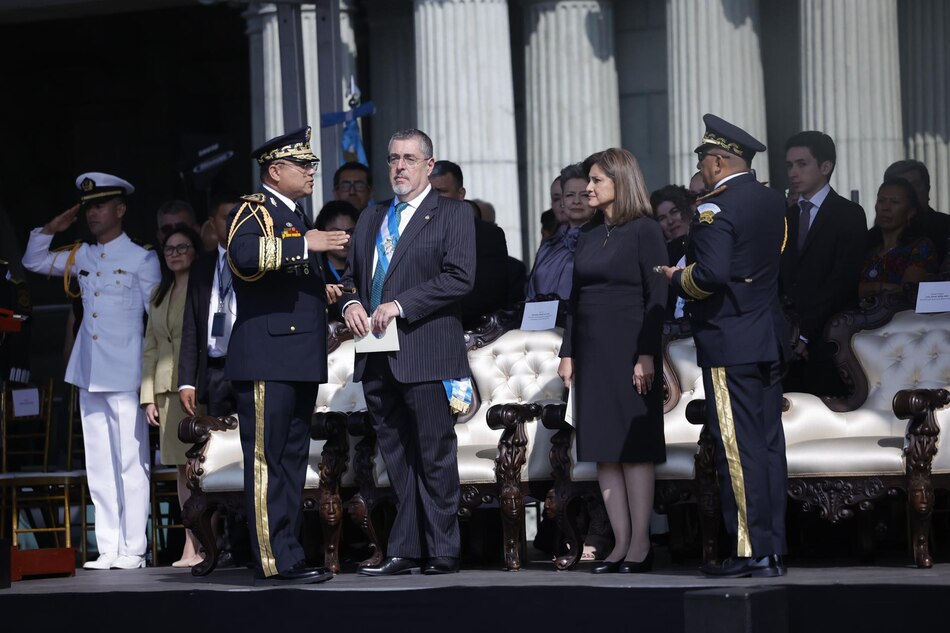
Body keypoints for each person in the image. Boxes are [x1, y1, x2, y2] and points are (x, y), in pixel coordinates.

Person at [340, 128, 476, 576]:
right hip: (376, 354)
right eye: (393, 158)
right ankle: (405, 548)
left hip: (427, 350)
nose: (399, 166)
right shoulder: (371, 216)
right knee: (396, 455)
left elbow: (459, 277)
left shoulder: (452, 214)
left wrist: (401, 305)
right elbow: (352, 279)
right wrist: (352, 302)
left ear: (429, 166)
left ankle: (442, 549)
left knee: (434, 453)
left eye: (409, 158)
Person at [660, 114, 790, 579]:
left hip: (730, 340)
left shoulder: (715, 207)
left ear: (717, 161)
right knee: (769, 446)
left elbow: (709, 276)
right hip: (767, 336)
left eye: (704, 159)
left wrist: (678, 279)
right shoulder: (773, 200)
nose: (704, 167)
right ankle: (772, 547)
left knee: (737, 448)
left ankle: (751, 550)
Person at [225, 125, 349, 585]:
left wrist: (325, 287)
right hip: (267, 356)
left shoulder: (295, 213)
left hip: (296, 355)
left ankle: (289, 553)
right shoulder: (253, 210)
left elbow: (288, 282)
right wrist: (307, 244)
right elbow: (242, 256)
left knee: (292, 461)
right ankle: (273, 559)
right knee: (267, 461)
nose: (312, 171)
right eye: (304, 164)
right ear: (275, 172)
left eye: (312, 163)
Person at [22, 172, 161, 570]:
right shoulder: (82, 254)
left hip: (127, 371)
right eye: (88, 208)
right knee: (99, 462)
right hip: (88, 370)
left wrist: (152, 380)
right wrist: (52, 228)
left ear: (121, 209)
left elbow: (156, 323)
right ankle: (108, 546)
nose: (92, 214)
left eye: (100, 205)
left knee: (131, 462)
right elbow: (33, 260)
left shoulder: (142, 258)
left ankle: (133, 547)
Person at [557, 148, 668, 574]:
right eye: (589, 180)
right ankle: (619, 543)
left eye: (597, 180)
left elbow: (657, 295)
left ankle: (641, 543)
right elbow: (575, 300)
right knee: (604, 451)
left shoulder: (645, 230)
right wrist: (568, 352)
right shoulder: (587, 234)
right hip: (592, 350)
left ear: (621, 181)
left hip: (630, 349)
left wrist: (646, 354)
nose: (588, 187)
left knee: (634, 451)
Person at [780, 131, 867, 397]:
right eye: (789, 165)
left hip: (828, 342)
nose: (793, 172)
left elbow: (842, 280)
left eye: (802, 164)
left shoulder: (848, 214)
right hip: (783, 343)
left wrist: (804, 334)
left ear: (825, 167)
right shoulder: (785, 215)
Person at [140, 225, 203, 567]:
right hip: (166, 390)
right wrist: (148, 396)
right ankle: (191, 545)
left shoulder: (203, 289)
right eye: (169, 249)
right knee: (182, 470)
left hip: (193, 387)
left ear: (195, 251)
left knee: (201, 467)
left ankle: (208, 543)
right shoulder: (158, 293)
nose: (175, 253)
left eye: (182, 247)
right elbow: (150, 346)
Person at [429, 160, 510, 327]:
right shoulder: (412, 232)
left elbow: (489, 292)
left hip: (468, 331)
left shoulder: (488, 235)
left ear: (460, 194)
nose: (434, 199)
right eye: (429, 192)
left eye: (441, 191)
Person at [858, 177, 938, 299]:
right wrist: (882, 287)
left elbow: (908, 292)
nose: (885, 208)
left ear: (910, 212)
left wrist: (870, 288)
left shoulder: (920, 247)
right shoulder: (865, 244)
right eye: (881, 201)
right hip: (852, 317)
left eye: (895, 202)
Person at [525, 164, 596, 301]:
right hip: (542, 321)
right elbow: (531, 293)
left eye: (584, 195)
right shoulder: (548, 246)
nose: (576, 201)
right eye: (570, 195)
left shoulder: (605, 240)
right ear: (562, 201)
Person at [884, 159, 949, 263]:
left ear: (927, 189)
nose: (910, 193)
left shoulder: (947, 227)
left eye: (915, 185)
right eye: (902, 186)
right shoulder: (873, 238)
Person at [315, 200, 360, 323]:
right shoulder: (313, 269)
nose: (345, 238)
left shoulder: (364, 266)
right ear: (322, 232)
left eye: (351, 232)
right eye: (337, 232)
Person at [650, 184, 693, 265]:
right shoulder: (660, 258)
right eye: (662, 218)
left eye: (674, 212)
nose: (670, 221)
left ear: (687, 209)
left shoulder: (704, 241)